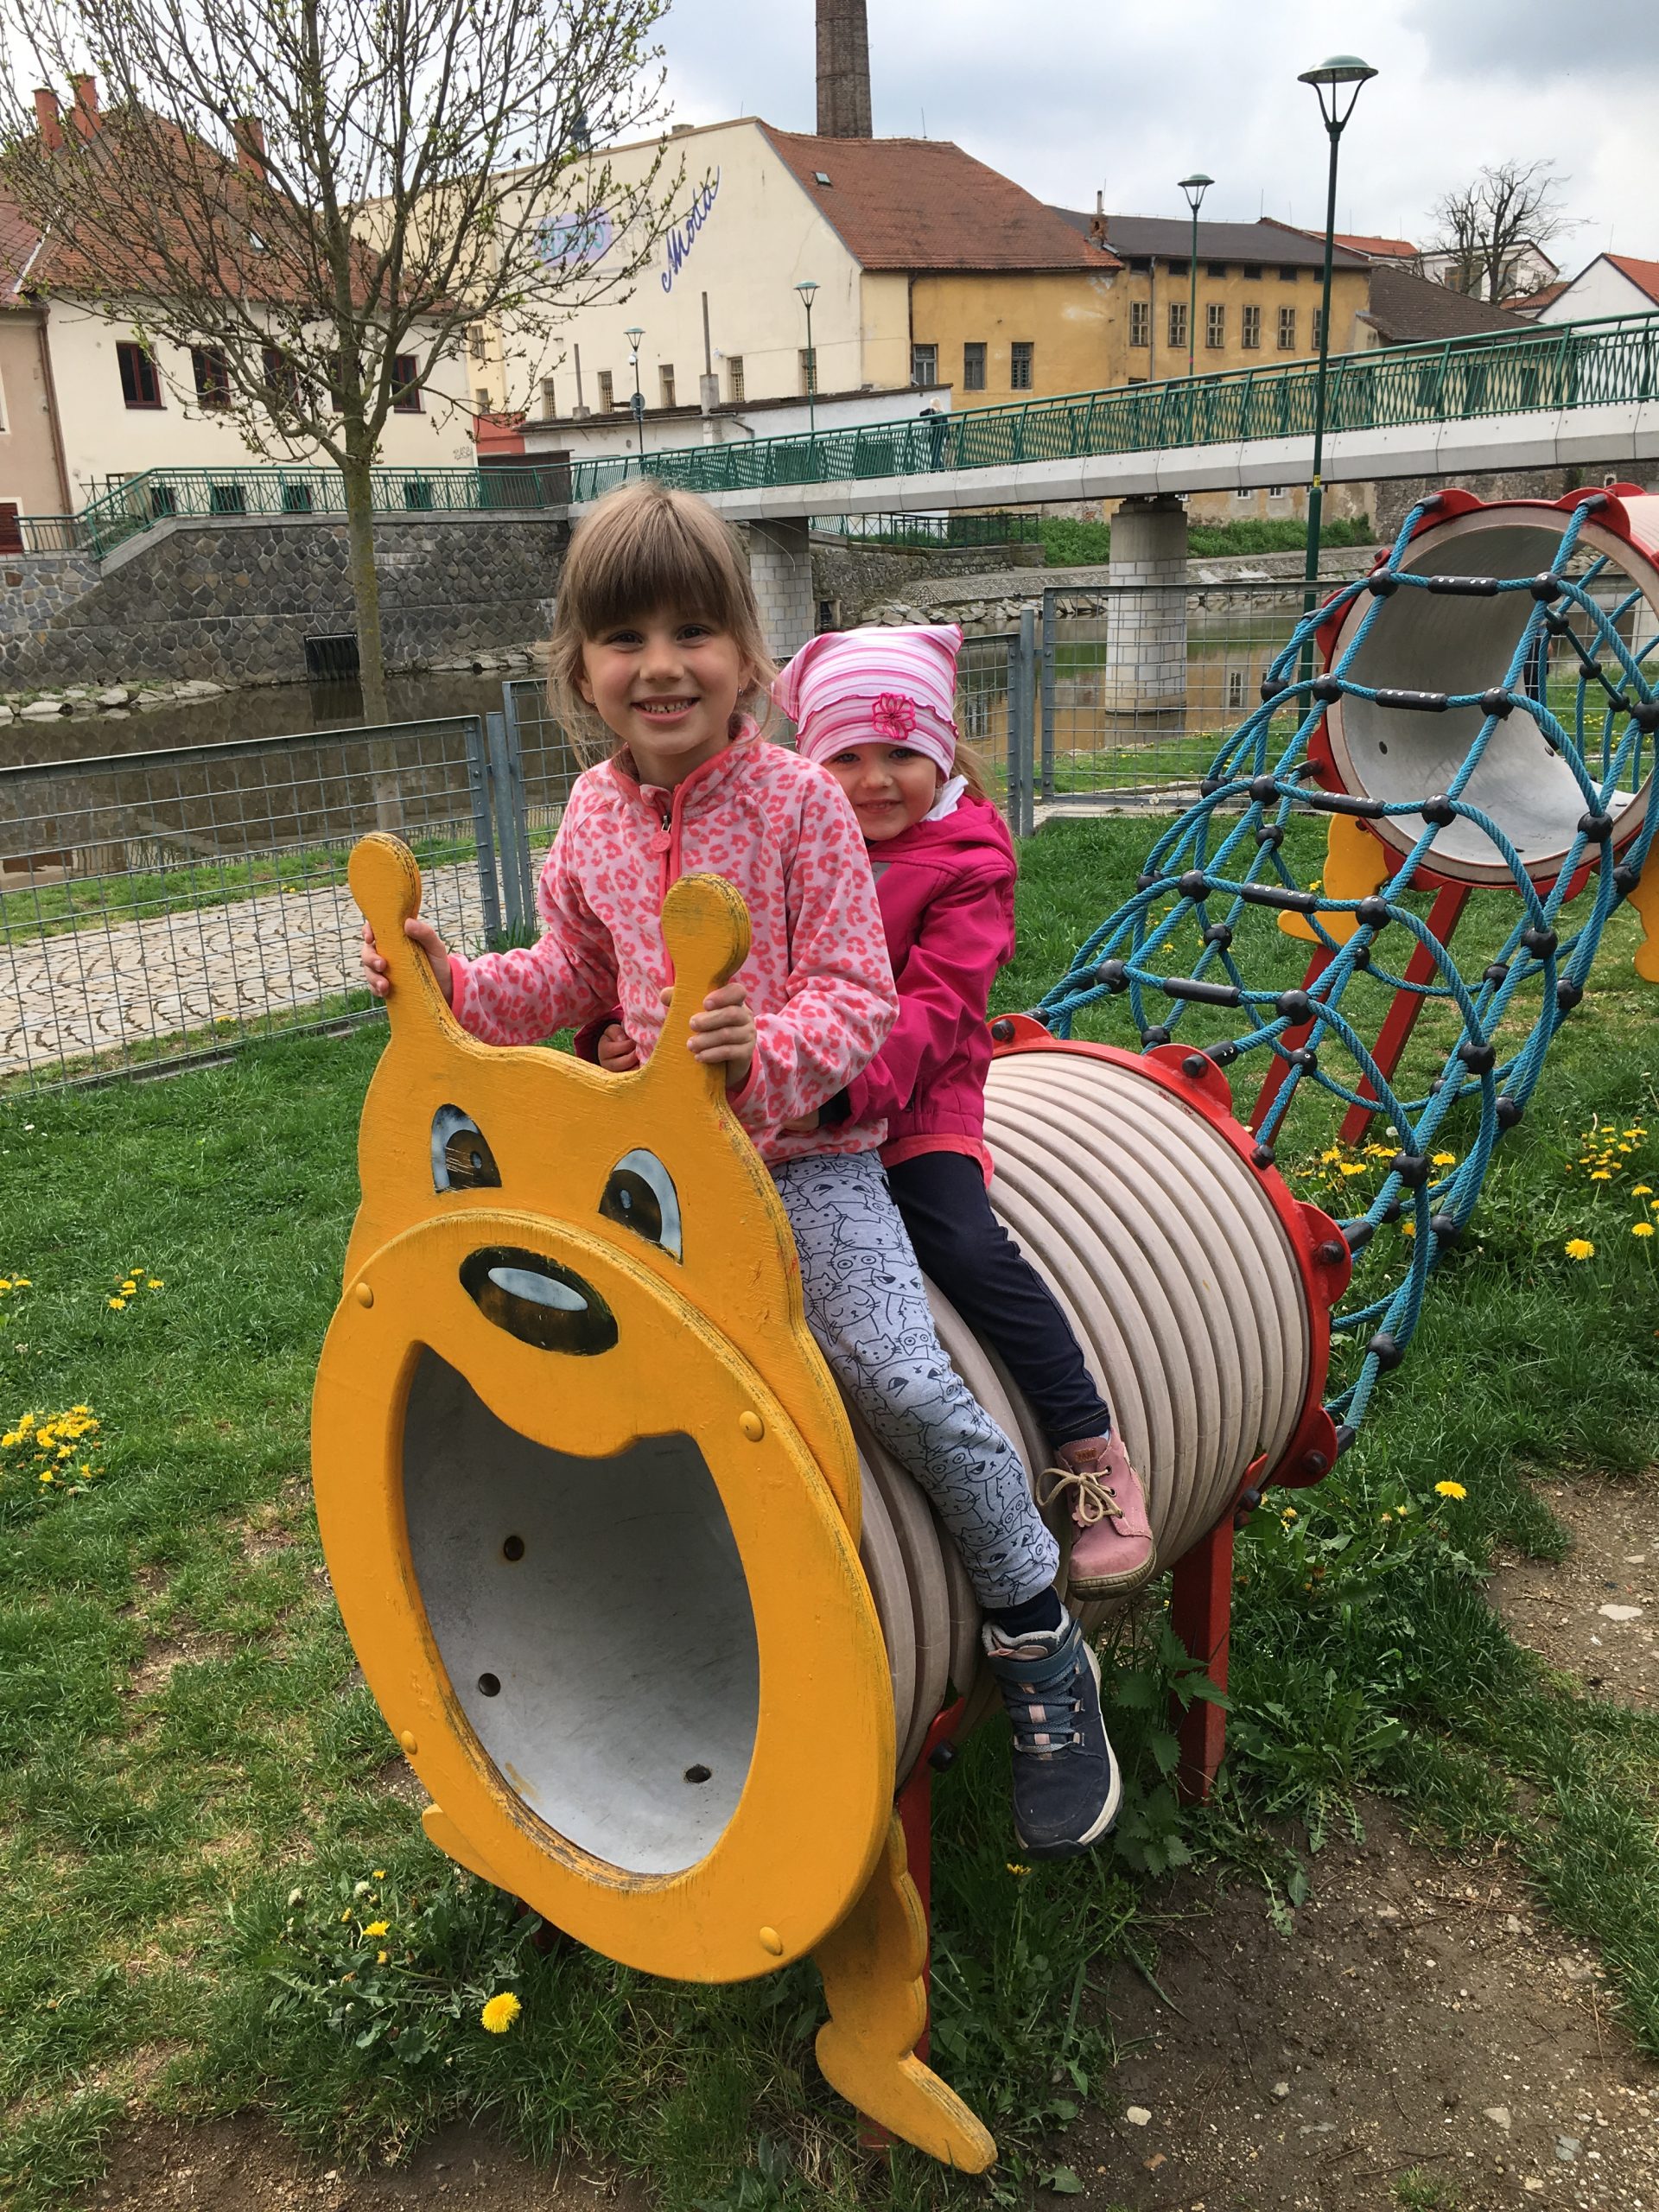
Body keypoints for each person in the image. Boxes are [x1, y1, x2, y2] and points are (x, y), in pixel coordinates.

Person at [362, 480, 1119, 1859]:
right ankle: (633, 1601)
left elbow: (858, 994)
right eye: (625, 638)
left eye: (693, 632)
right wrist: (455, 987)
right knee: (579, 1358)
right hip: (646, 1173)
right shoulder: (592, 813)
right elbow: (570, 971)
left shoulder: (799, 806)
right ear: (579, 669)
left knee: (895, 1376)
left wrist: (759, 1059)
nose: (661, 666)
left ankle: (1036, 1630)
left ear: (748, 658)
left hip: (804, 1161)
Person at [772, 622, 1156, 1604]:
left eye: (900, 753)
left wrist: (839, 1091)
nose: (874, 780)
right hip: (791, 1094)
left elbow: (938, 1007)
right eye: (846, 756)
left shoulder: (968, 859)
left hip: (912, 1095)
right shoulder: (788, 838)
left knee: (963, 1243)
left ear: (943, 754)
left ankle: (1089, 1445)